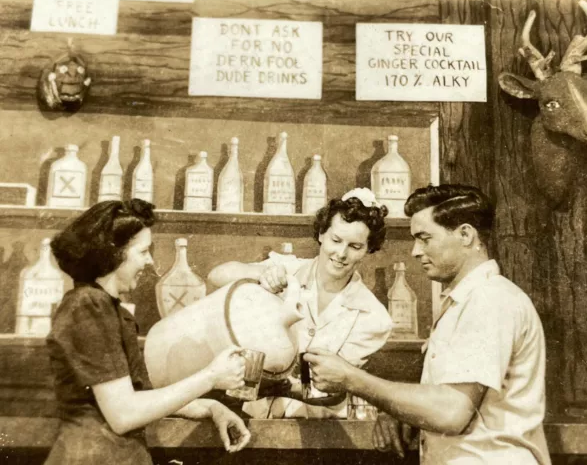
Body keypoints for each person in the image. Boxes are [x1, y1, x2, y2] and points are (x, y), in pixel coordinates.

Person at [304, 184, 551, 464]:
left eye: (424, 238)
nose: (415, 251)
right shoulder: (465, 301)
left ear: (466, 235)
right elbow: (450, 400)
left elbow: (451, 413)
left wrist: (352, 378)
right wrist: (402, 412)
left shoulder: (489, 301)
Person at [45, 199, 251, 465]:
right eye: (143, 252)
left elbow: (138, 397)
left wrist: (212, 407)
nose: (150, 261)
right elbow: (123, 414)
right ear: (113, 253)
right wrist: (211, 377)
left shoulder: (111, 310)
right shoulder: (88, 306)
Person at [208, 187, 393, 418]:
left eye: (355, 246)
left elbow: (325, 385)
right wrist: (261, 277)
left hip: (319, 431)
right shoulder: (290, 269)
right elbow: (217, 275)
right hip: (250, 417)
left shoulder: (373, 317)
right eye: (336, 240)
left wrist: (275, 381)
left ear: (368, 249)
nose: (341, 253)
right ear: (321, 235)